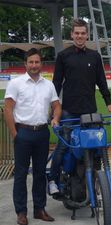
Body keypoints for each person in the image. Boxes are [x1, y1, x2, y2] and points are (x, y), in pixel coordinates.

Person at [48, 18, 111, 194]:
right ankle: (53, 180)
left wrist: (109, 103)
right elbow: (56, 84)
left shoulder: (95, 56)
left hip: (89, 113)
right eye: (76, 33)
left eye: (83, 33)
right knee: (63, 147)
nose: (79, 36)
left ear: (87, 35)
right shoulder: (63, 56)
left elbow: (102, 82)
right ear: (71, 34)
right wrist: (53, 109)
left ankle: (95, 182)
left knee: (96, 149)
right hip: (69, 112)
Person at [4, 48, 61, 225]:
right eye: (31, 62)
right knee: (20, 174)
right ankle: (21, 212)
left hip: (42, 133)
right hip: (23, 133)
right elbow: (8, 109)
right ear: (25, 64)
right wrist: (15, 134)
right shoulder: (16, 83)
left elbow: (57, 106)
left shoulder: (48, 85)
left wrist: (56, 118)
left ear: (41, 64)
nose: (34, 65)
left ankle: (39, 209)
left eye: (37, 62)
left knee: (39, 173)